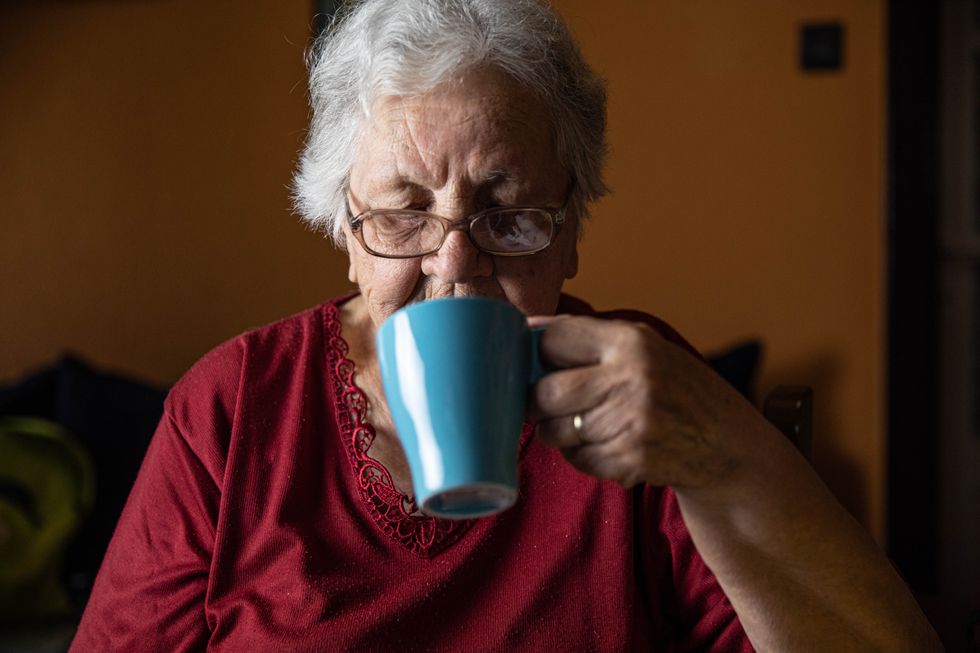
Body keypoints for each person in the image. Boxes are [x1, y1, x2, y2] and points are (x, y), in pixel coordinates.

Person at [70, 1, 941, 651]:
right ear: (344, 236)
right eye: (404, 214)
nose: (455, 263)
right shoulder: (230, 407)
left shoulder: (649, 398)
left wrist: (723, 458)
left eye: (511, 212)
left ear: (570, 232)